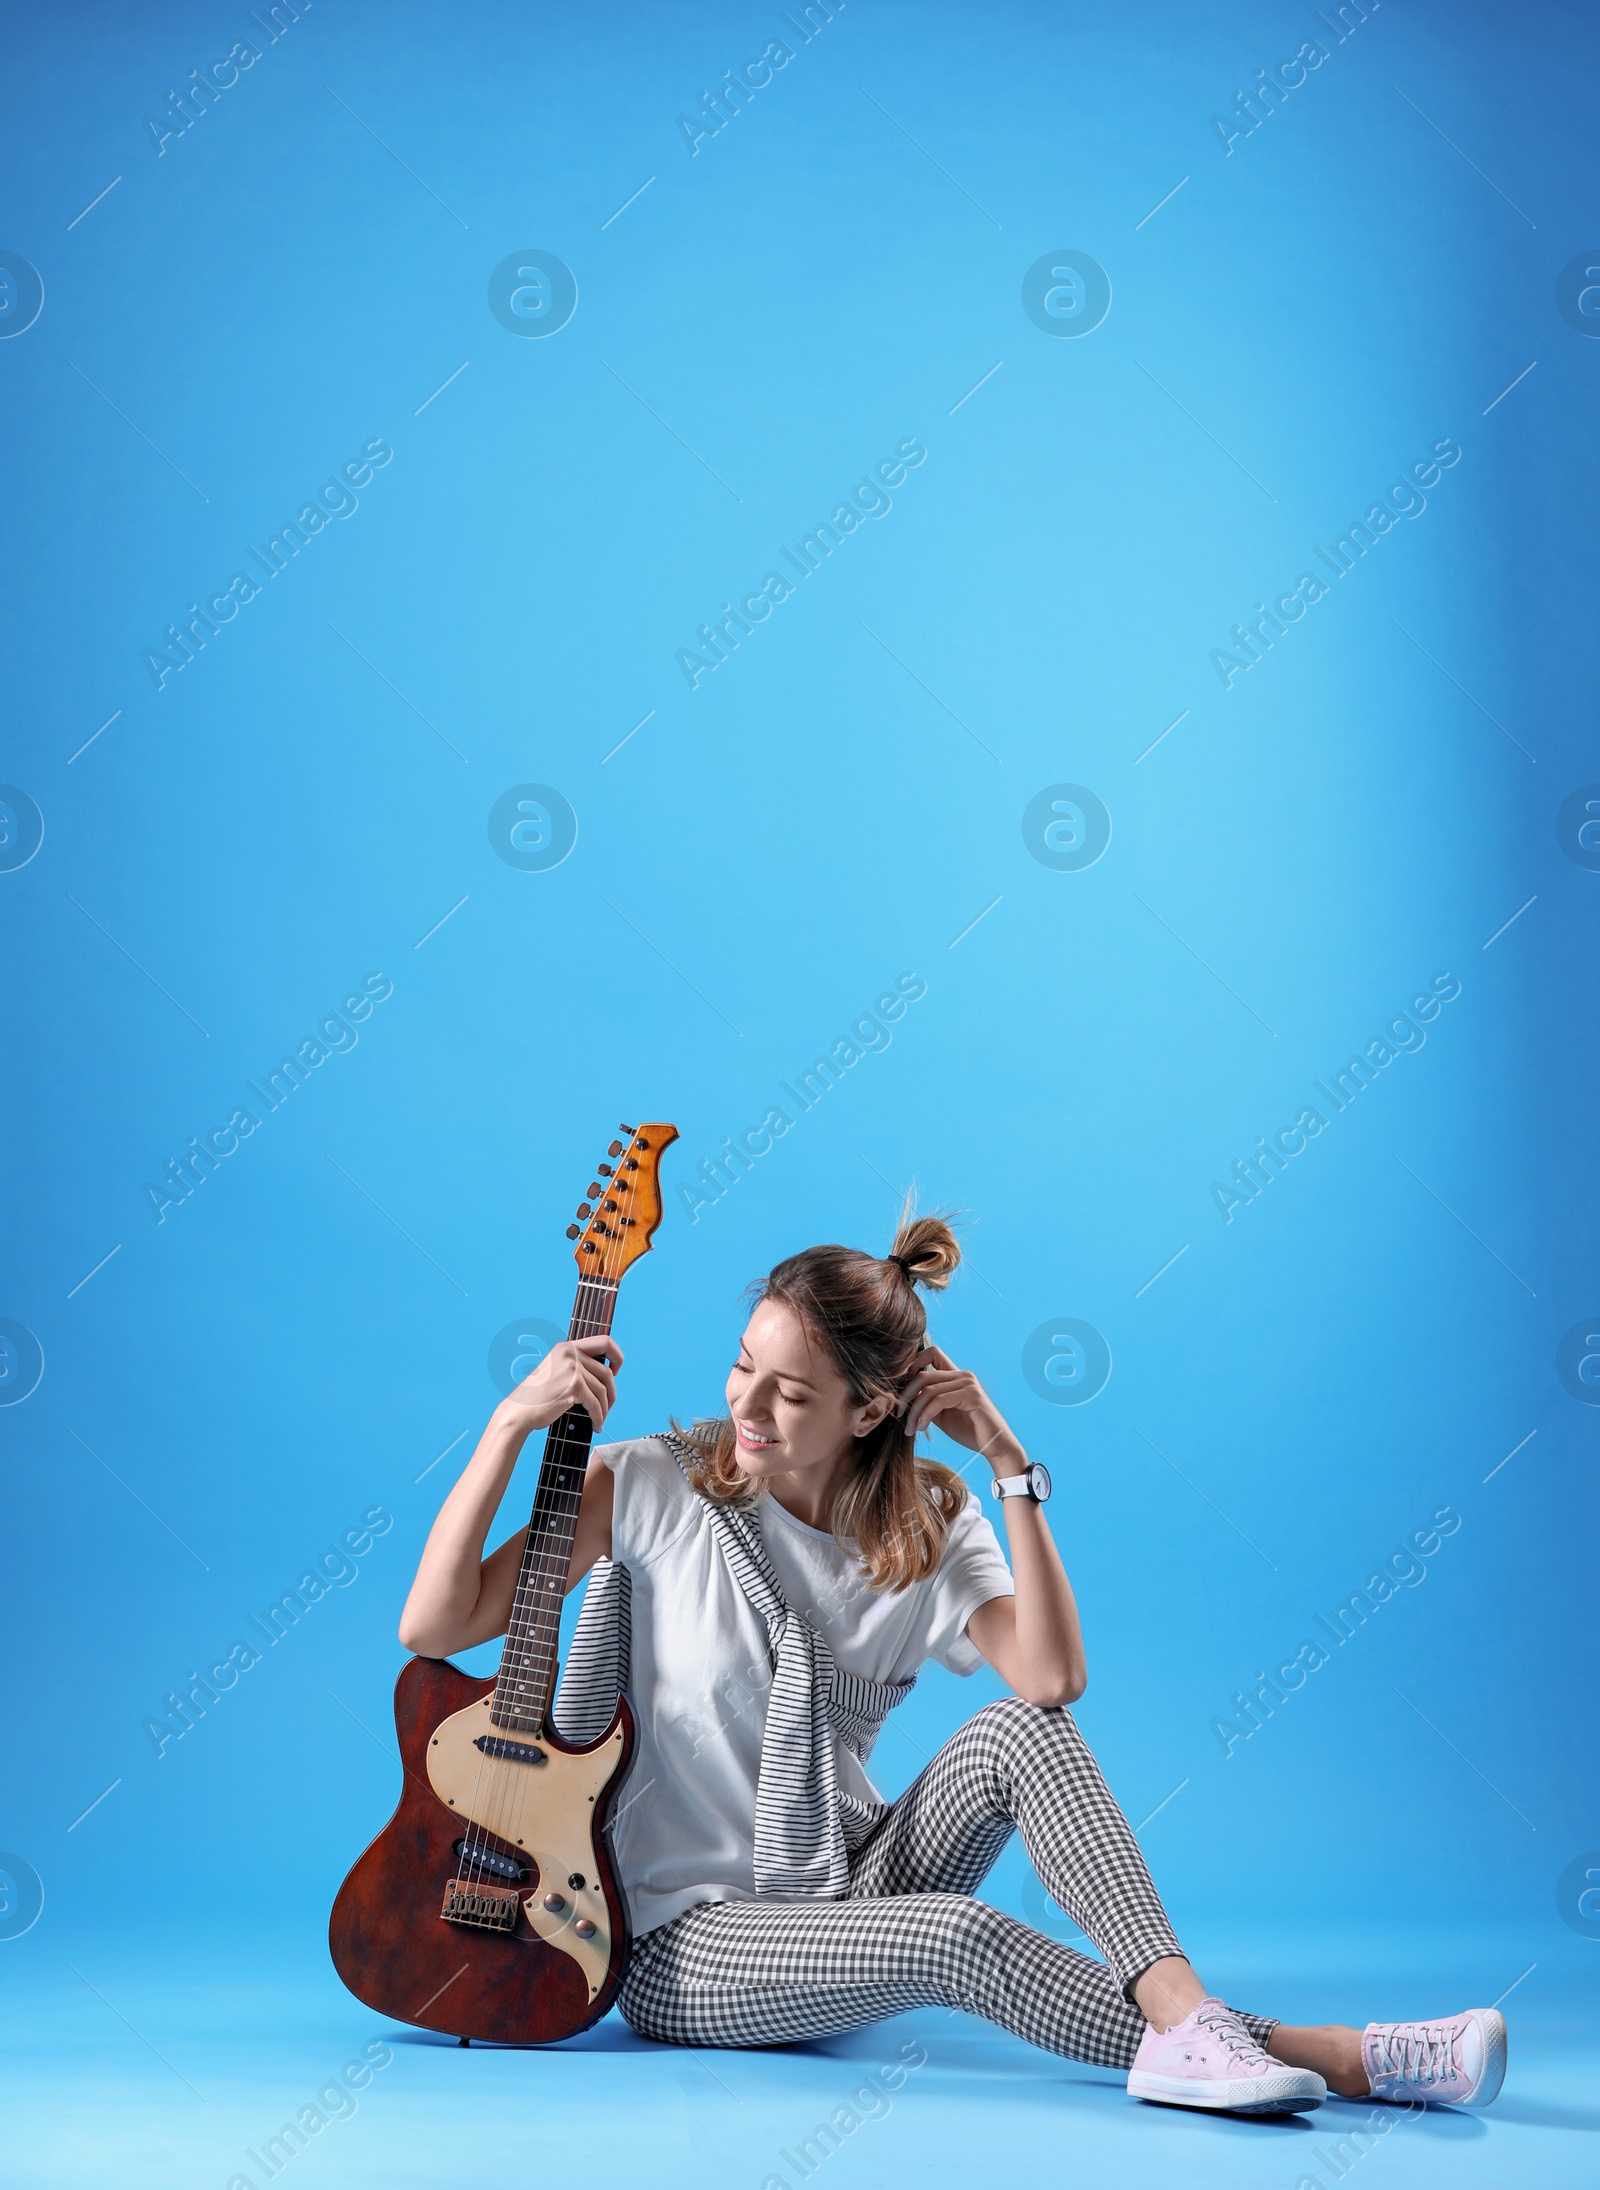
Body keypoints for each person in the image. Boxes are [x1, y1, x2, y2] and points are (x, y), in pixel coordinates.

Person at [398, 1213, 1506, 2116]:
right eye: (743, 1367)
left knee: (1025, 1733)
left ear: (871, 1409)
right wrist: (510, 1423)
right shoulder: (651, 1484)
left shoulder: (920, 1527)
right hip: (674, 1942)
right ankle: (1340, 2057)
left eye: (789, 1391)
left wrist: (1011, 1464)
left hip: (839, 1881)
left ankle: (1192, 2025)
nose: (746, 1403)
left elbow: (1049, 1681)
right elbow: (436, 1628)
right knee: (958, 1936)